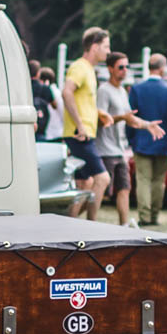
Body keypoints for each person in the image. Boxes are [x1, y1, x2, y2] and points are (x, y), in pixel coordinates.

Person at [93, 52, 164, 227]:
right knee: (101, 191)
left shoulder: (122, 91)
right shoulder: (104, 90)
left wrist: (148, 125)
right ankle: (88, 222)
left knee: (124, 188)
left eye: (127, 67)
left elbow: (129, 118)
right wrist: (121, 117)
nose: (125, 71)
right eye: (120, 67)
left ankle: (124, 225)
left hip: (119, 149)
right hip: (105, 149)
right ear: (110, 69)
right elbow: (100, 120)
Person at [61, 27, 111, 219]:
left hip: (84, 132)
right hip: (79, 133)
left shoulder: (89, 70)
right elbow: (66, 92)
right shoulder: (80, 67)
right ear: (95, 46)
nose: (108, 51)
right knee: (103, 178)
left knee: (85, 184)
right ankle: (92, 225)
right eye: (106, 47)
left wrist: (99, 114)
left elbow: (82, 101)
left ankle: (69, 225)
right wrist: (80, 124)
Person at [127, 52, 167, 227]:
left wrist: (131, 139)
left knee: (143, 179)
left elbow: (130, 117)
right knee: (158, 181)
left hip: (142, 140)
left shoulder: (137, 89)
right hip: (163, 141)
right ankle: (155, 214)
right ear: (162, 68)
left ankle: (145, 215)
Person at [30, 58, 55, 138]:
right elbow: (55, 105)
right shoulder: (45, 88)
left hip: (27, 126)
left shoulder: (24, 87)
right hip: (41, 128)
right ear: (38, 73)